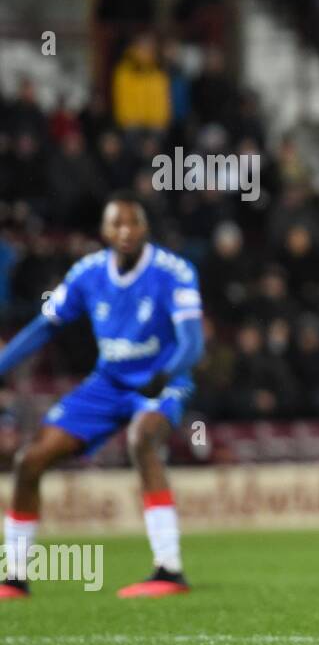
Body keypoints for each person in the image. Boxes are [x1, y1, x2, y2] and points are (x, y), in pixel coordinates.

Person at [0, 198, 205, 599]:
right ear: (105, 231)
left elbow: (193, 343)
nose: (126, 231)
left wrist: (163, 375)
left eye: (134, 223)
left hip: (160, 379)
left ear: (145, 228)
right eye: (117, 224)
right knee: (30, 459)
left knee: (142, 439)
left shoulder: (173, 272)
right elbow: (45, 326)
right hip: (106, 383)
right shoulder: (87, 273)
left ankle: (169, 569)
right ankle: (14, 576)